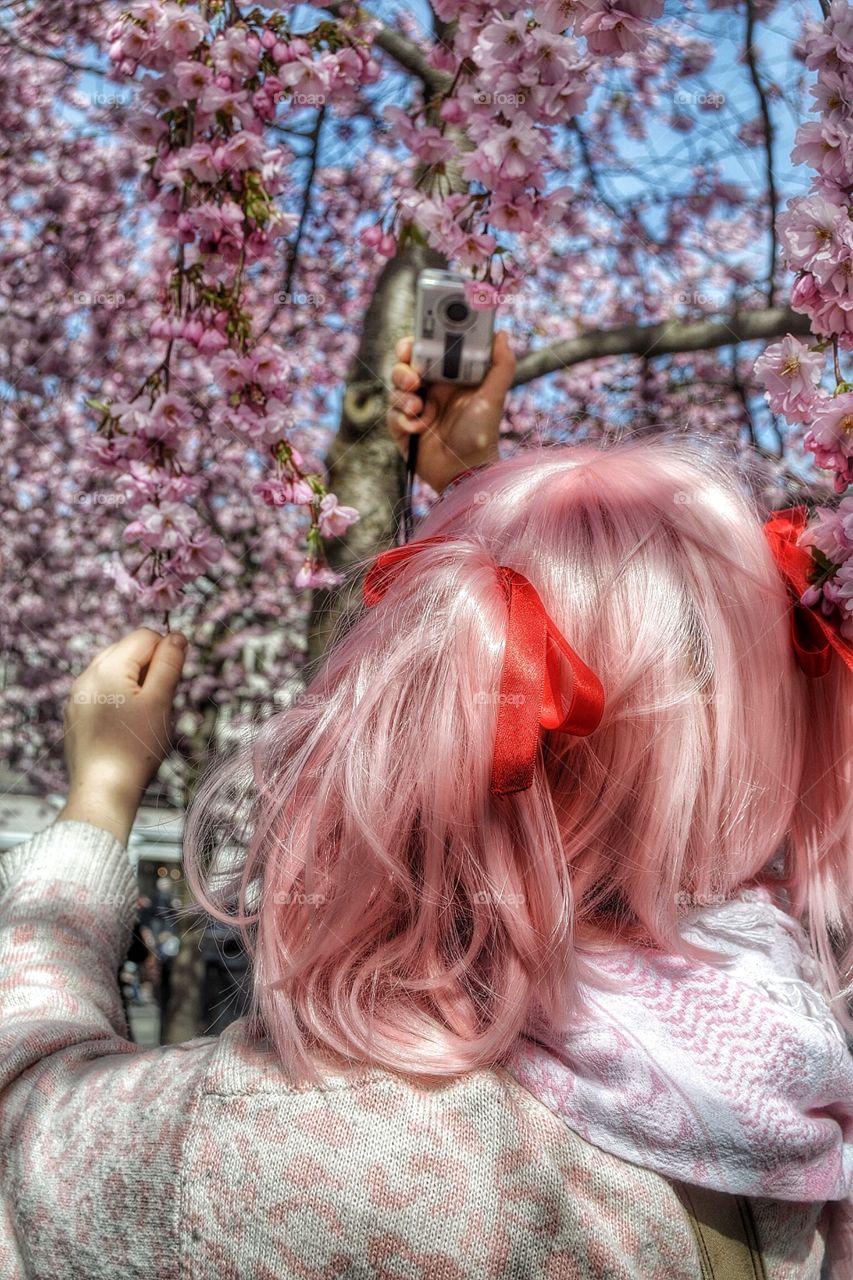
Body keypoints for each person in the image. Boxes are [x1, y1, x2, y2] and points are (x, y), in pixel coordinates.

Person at [1, 330, 852, 1279]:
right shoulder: (794, 1078)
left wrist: (99, 796)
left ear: (414, 706)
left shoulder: (296, 1149)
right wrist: (471, 489)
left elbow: (23, 1129)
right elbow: (601, 724)